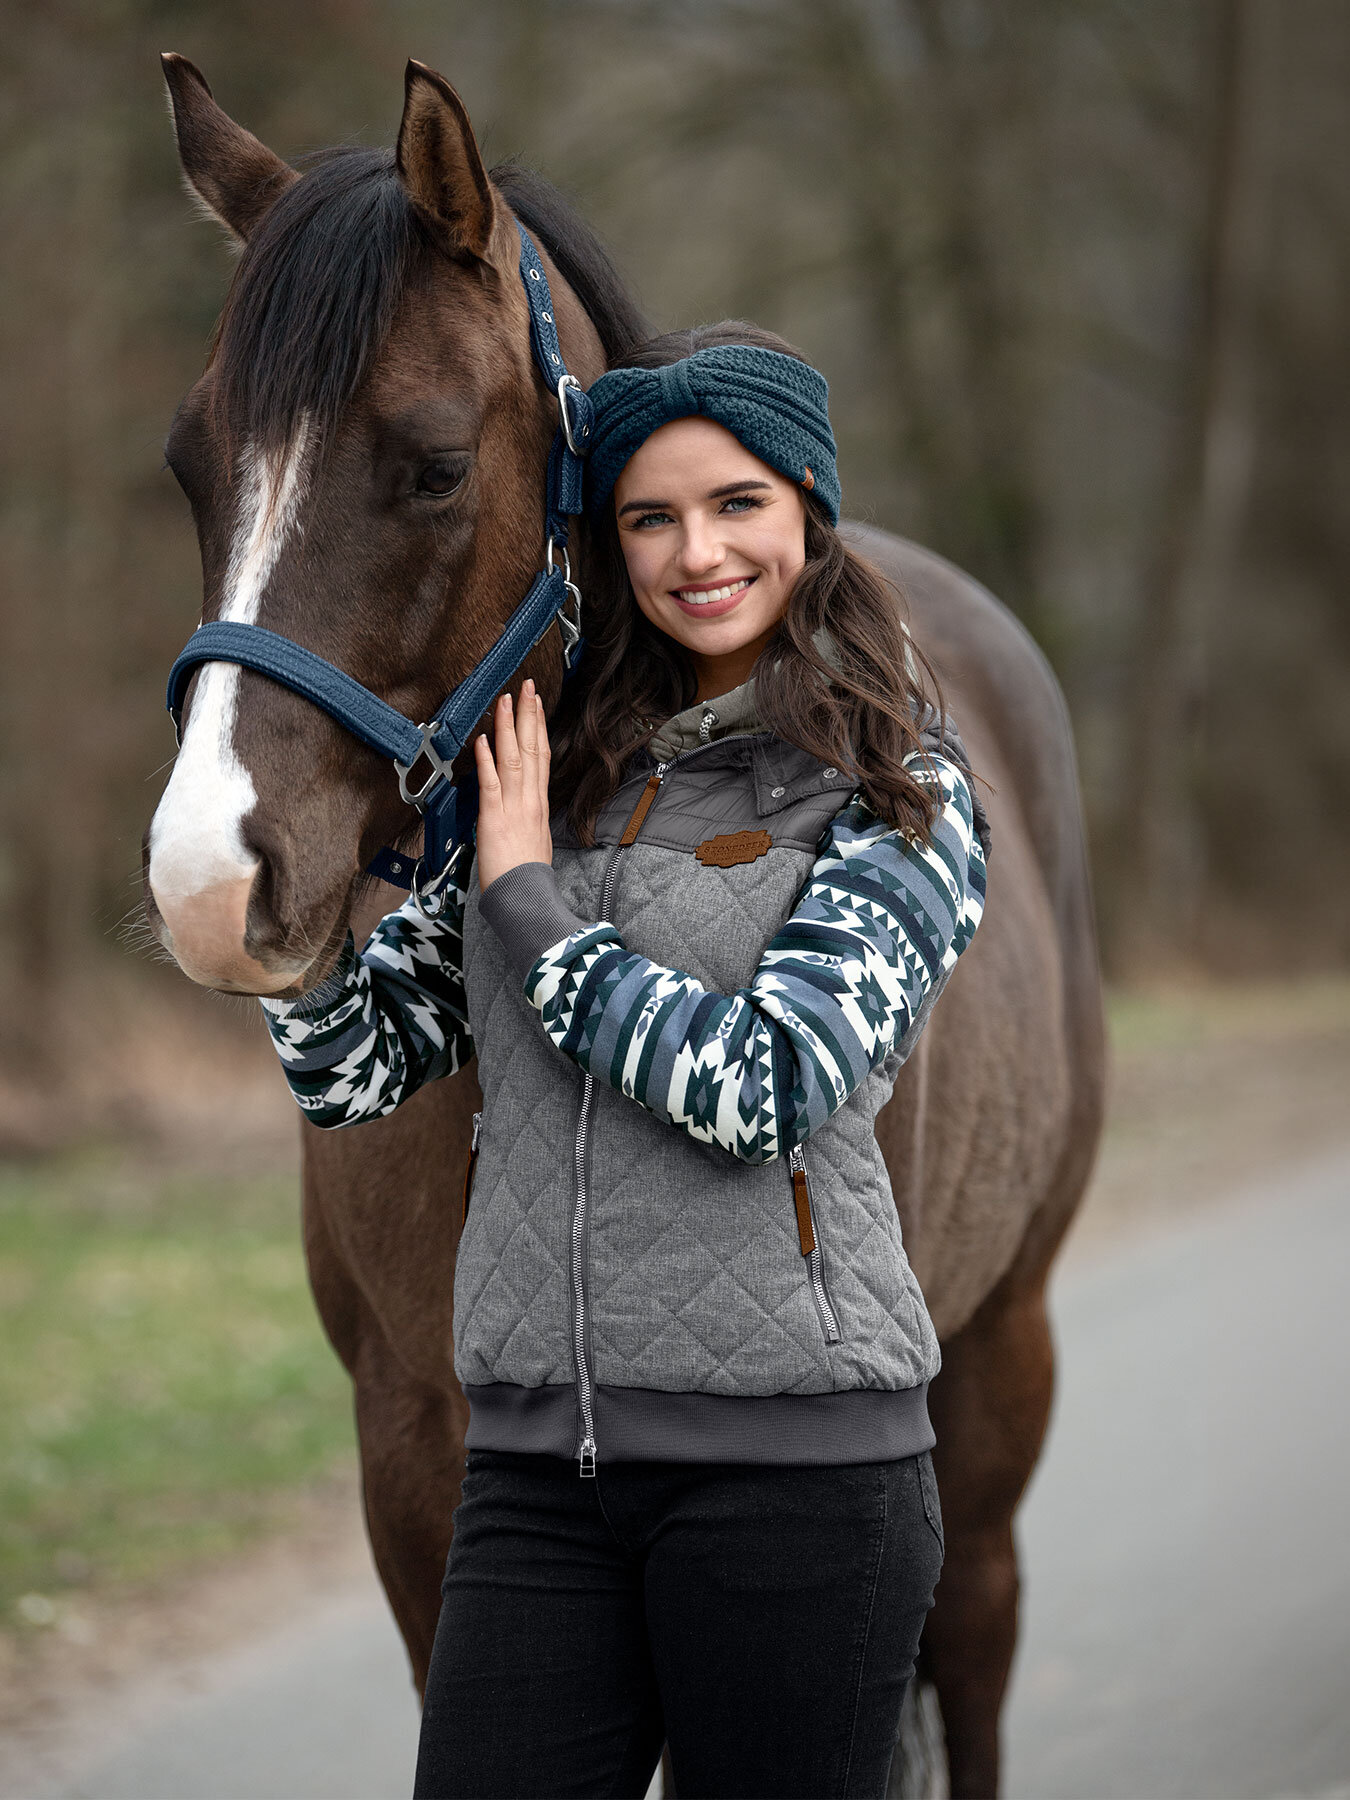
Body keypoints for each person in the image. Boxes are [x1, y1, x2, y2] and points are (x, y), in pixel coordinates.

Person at [262, 322, 989, 1800]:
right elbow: (353, 1069)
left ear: (808, 511)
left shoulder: (898, 793)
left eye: (736, 505)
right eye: (648, 519)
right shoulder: (557, 779)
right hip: (536, 1480)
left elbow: (766, 1088)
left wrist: (526, 906)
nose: (693, 553)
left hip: (794, 1484)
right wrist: (291, 918)